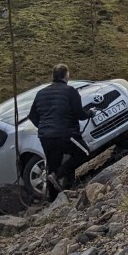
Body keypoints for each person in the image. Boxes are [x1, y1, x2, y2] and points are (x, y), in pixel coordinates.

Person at [27, 63, 95, 193]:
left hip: (45, 137)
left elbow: (32, 116)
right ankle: (58, 175)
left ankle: (55, 198)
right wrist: (90, 113)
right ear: (66, 75)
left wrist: (43, 127)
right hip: (65, 134)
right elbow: (80, 114)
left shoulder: (40, 93)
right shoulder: (70, 91)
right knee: (83, 152)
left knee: (52, 165)